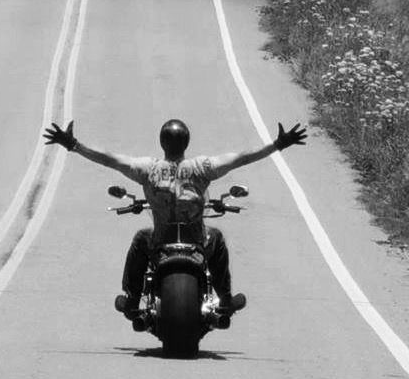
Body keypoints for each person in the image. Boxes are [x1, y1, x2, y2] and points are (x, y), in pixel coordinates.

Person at [43, 117, 307, 322]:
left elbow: (110, 160)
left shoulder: (148, 169)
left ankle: (133, 299)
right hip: (196, 240)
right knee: (217, 238)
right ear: (187, 143)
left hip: (161, 241)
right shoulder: (202, 168)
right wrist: (277, 144)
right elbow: (242, 158)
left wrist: (74, 146)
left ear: (162, 143)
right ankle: (225, 298)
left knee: (139, 240)